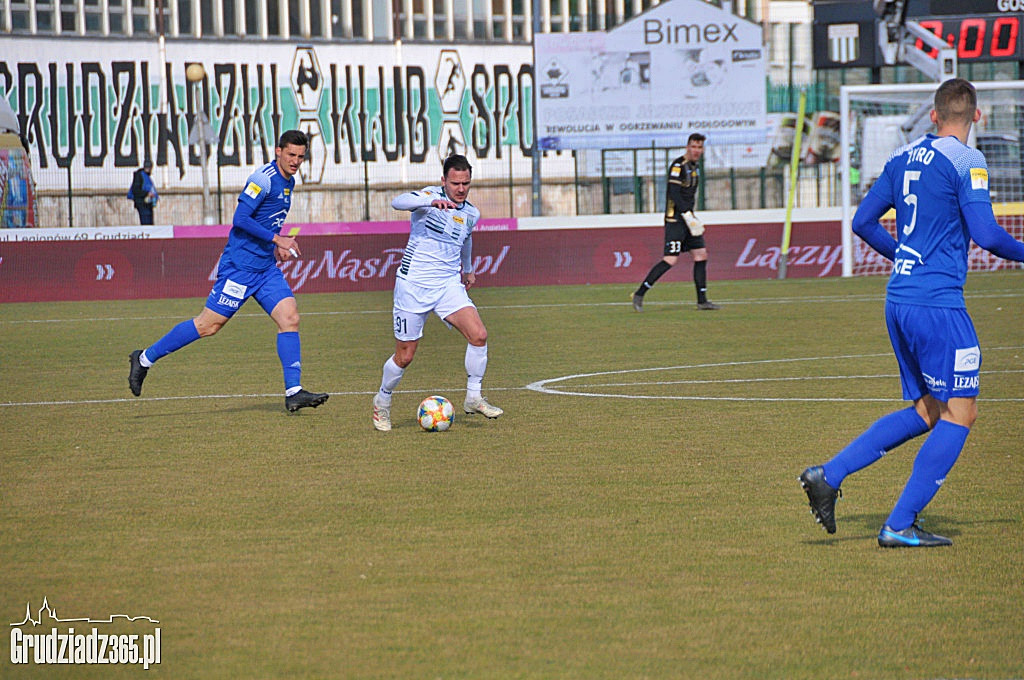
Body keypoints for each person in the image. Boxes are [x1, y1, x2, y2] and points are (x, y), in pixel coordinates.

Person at [799, 78, 1024, 548]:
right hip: (937, 304)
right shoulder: (968, 160)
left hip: (898, 299)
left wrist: (902, 251)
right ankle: (899, 524)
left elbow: (862, 222)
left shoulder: (901, 158)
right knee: (961, 414)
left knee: (928, 410)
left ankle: (829, 474)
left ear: (934, 116)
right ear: (976, 118)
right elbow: (987, 235)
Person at [127, 130, 329, 413]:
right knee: (208, 325)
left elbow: (265, 221)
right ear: (278, 151)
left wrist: (274, 248)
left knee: (290, 317)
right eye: (291, 155)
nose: (295, 161)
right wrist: (278, 239)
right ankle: (144, 358)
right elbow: (240, 218)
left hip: (265, 269)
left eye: (301, 156)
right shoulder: (263, 178)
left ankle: (293, 391)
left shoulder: (289, 182)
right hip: (240, 268)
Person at [372, 154, 502, 431]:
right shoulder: (428, 197)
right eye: (455, 183)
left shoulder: (471, 213)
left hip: (447, 285)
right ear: (444, 180)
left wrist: (467, 269)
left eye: (466, 183)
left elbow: (466, 238)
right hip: (413, 286)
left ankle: (473, 397)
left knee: (479, 335)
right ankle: (382, 403)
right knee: (405, 356)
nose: (461, 188)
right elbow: (398, 202)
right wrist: (428, 201)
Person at [632, 132, 719, 312]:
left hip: (688, 219)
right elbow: (674, 193)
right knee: (670, 260)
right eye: (693, 147)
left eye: (699, 147)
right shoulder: (678, 166)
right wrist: (686, 214)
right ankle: (639, 294)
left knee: (701, 255)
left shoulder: (695, 167)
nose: (696, 150)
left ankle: (702, 301)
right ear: (687, 147)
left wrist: (691, 217)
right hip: (676, 220)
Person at [128, 160, 159, 225]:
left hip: (147, 204)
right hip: (142, 203)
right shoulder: (139, 176)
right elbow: (136, 190)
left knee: (149, 223)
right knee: (146, 223)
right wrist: (147, 193)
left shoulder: (146, 176)